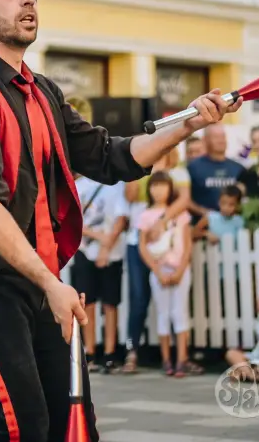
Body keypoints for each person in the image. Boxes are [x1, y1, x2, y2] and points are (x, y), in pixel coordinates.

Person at [0, 0, 241, 441]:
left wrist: (189, 124)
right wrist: (51, 284)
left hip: (40, 276)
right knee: (22, 428)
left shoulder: (43, 91)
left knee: (76, 429)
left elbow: (111, 156)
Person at [121, 148, 190, 374]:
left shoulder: (178, 174)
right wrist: (140, 170)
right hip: (139, 243)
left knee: (176, 308)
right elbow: (129, 196)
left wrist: (161, 222)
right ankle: (132, 350)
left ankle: (178, 358)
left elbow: (183, 201)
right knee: (138, 298)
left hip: (167, 248)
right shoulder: (141, 172)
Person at [137, 172, 199, 378]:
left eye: (163, 186)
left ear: (170, 189)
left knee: (179, 313)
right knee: (163, 314)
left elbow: (187, 244)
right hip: (159, 270)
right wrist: (155, 270)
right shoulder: (146, 215)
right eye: (154, 186)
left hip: (179, 268)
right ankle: (166, 359)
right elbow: (143, 247)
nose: (159, 191)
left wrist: (181, 269)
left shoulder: (180, 214)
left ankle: (182, 358)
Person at [70, 175, 127, 373]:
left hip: (112, 252)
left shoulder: (117, 184)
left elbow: (122, 218)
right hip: (84, 250)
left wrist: (106, 246)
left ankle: (110, 353)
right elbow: (73, 220)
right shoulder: (77, 186)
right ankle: (90, 351)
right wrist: (98, 237)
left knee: (111, 303)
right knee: (88, 302)